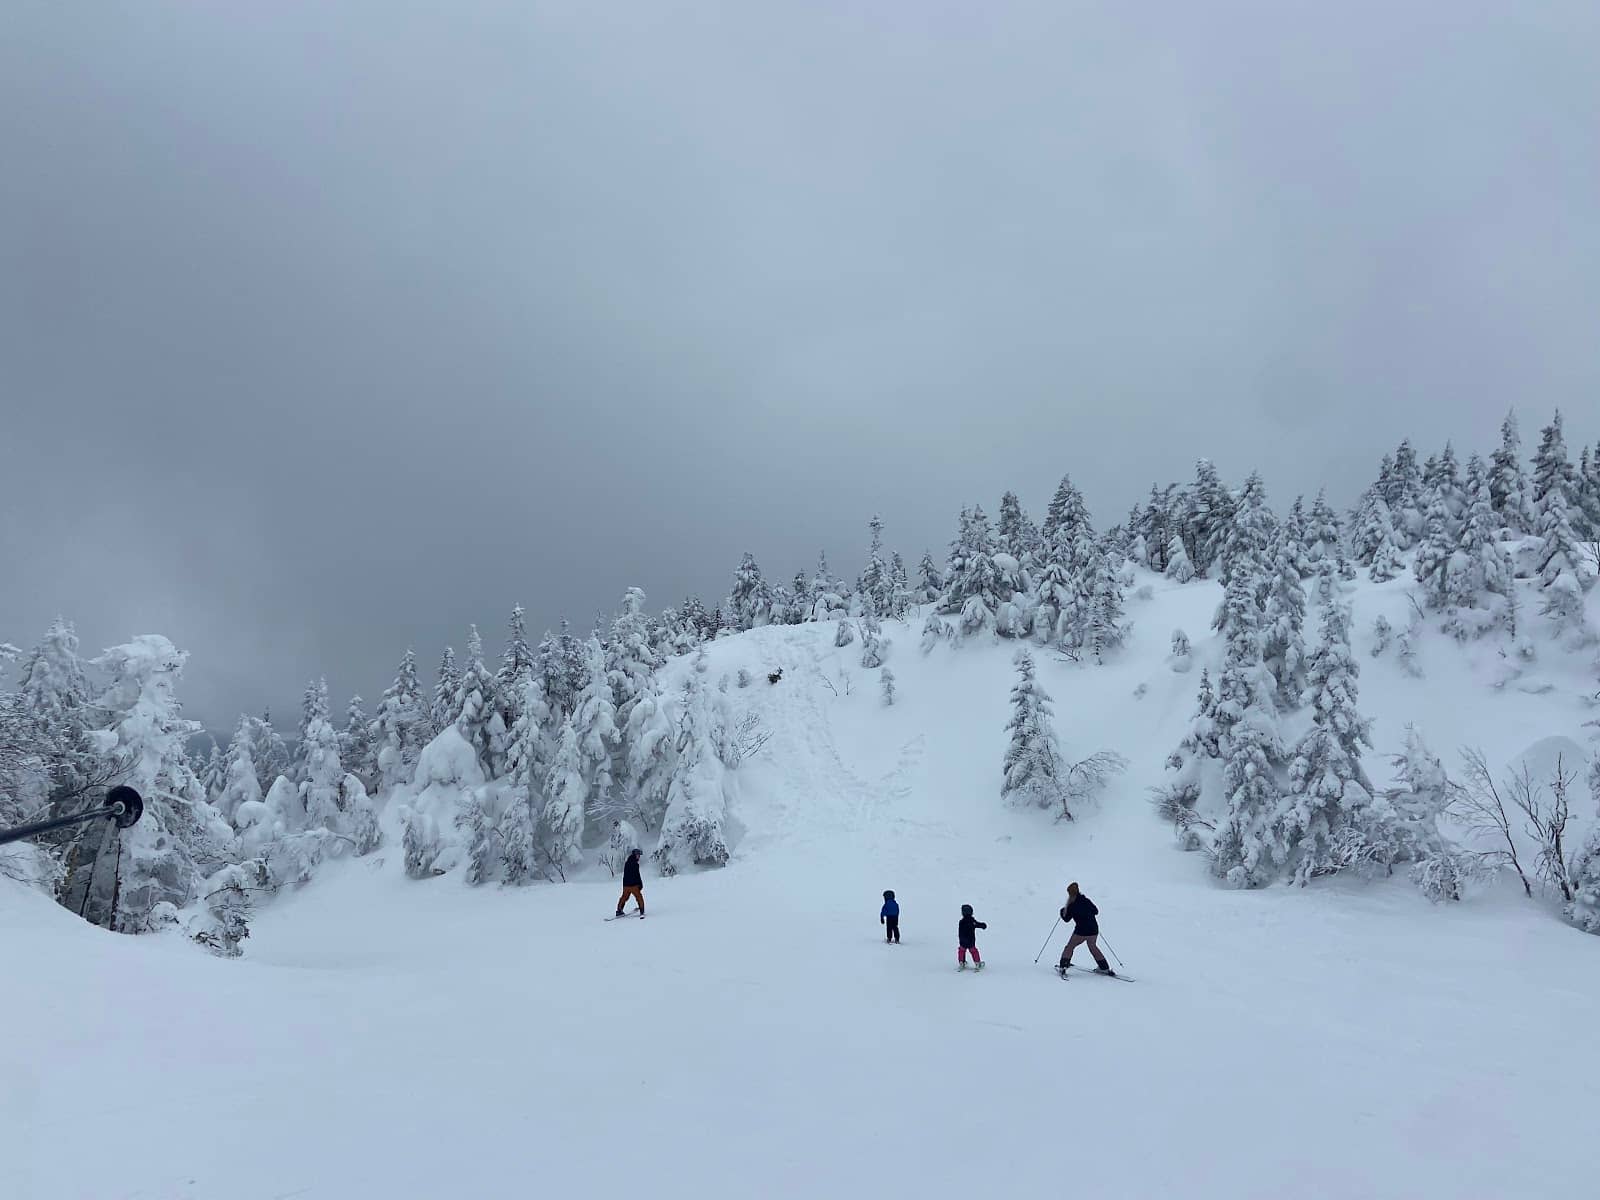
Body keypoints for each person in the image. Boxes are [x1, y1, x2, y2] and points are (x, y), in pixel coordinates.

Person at [1056, 881, 1112, 975]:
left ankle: (1063, 966)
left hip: (1081, 932)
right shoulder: (1086, 900)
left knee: (1070, 947)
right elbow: (1096, 911)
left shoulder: (1071, 905)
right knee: (1093, 947)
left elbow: (1066, 919)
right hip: (1094, 930)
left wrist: (1062, 911)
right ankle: (1104, 968)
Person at [615, 849, 646, 918]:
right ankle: (642, 911)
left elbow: (625, 875)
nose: (639, 857)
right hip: (634, 885)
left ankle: (619, 910)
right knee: (639, 897)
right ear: (635, 855)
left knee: (624, 897)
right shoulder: (635, 864)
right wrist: (640, 884)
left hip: (626, 885)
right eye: (638, 855)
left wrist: (624, 885)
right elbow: (637, 875)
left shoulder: (627, 862)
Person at [957, 903, 986, 970]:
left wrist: (961, 939)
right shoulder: (972, 921)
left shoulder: (961, 922)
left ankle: (962, 962)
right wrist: (983, 925)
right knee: (973, 951)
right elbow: (978, 924)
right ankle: (977, 963)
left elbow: (959, 931)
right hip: (970, 941)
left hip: (962, 940)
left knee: (961, 950)